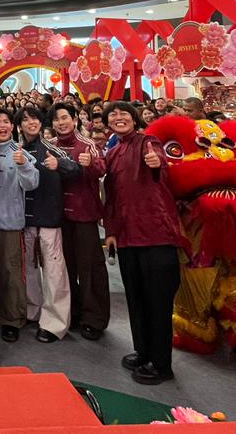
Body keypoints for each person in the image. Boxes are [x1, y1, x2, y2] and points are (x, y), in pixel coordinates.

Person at [100, 102, 181, 385]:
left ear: (134, 119)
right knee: (136, 299)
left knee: (157, 302)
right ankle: (143, 350)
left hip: (156, 235)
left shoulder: (149, 142)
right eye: (113, 115)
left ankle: (161, 364)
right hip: (126, 237)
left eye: (124, 114)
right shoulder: (112, 152)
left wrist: (157, 162)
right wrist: (111, 231)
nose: (118, 118)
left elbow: (159, 160)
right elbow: (109, 197)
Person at [18, 104, 78, 342]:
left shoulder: (53, 149)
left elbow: (75, 169)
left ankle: (55, 323)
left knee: (54, 273)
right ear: (19, 125)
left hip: (49, 219)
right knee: (30, 271)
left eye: (34, 119)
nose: (31, 123)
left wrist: (59, 165)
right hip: (25, 220)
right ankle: (32, 311)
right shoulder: (17, 148)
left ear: (41, 123)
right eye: (25, 120)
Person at [0, 107, 39, 342]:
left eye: (6, 122)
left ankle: (12, 320)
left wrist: (24, 165)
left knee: (10, 272)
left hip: (9, 223)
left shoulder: (20, 151)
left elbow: (32, 183)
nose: (2, 126)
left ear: (13, 127)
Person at [52, 102, 108, 339]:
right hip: (59, 217)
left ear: (75, 120)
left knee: (90, 268)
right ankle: (72, 312)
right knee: (66, 268)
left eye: (65, 118)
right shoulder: (51, 146)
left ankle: (94, 317)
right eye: (56, 119)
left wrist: (91, 165)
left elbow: (102, 168)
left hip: (84, 216)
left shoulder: (88, 145)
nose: (60, 123)